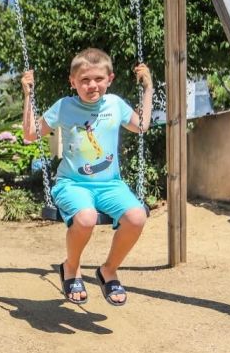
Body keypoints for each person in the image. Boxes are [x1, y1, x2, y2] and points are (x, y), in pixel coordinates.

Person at [21, 48, 152, 306]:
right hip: (72, 184)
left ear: (109, 79)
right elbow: (30, 135)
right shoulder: (64, 106)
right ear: (73, 82)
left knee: (137, 217)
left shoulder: (115, 104)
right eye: (84, 80)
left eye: (98, 79)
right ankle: (71, 268)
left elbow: (141, 126)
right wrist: (27, 95)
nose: (92, 85)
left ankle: (108, 271)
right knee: (86, 217)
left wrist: (148, 88)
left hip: (110, 185)